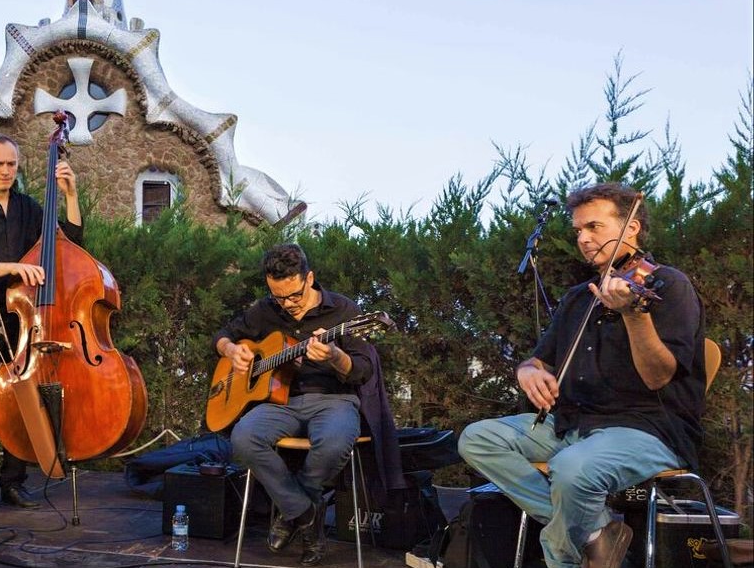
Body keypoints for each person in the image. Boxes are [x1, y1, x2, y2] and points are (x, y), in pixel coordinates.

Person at [458, 182, 706, 568]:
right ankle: (595, 531)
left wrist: (633, 315)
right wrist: (527, 373)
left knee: (572, 467)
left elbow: (659, 377)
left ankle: (564, 555)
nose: (584, 239)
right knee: (477, 438)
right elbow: (538, 360)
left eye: (594, 227)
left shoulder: (667, 285)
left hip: (648, 430)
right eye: (578, 231)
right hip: (574, 424)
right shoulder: (579, 297)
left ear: (632, 227)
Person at [215, 243, 402, 566]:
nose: (287, 305)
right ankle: (305, 513)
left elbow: (362, 369)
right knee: (243, 438)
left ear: (309, 278)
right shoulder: (265, 310)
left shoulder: (344, 312)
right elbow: (222, 335)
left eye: (294, 296)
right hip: (280, 402)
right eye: (279, 297)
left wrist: (334, 356)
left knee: (333, 443)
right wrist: (232, 351)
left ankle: (292, 513)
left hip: (333, 400)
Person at [0, 134, 82, 512]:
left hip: (23, 316)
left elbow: (70, 242)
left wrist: (70, 195)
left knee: (24, 401)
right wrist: (12, 267)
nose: (6, 171)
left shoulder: (29, 208)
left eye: (11, 164)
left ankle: (13, 481)